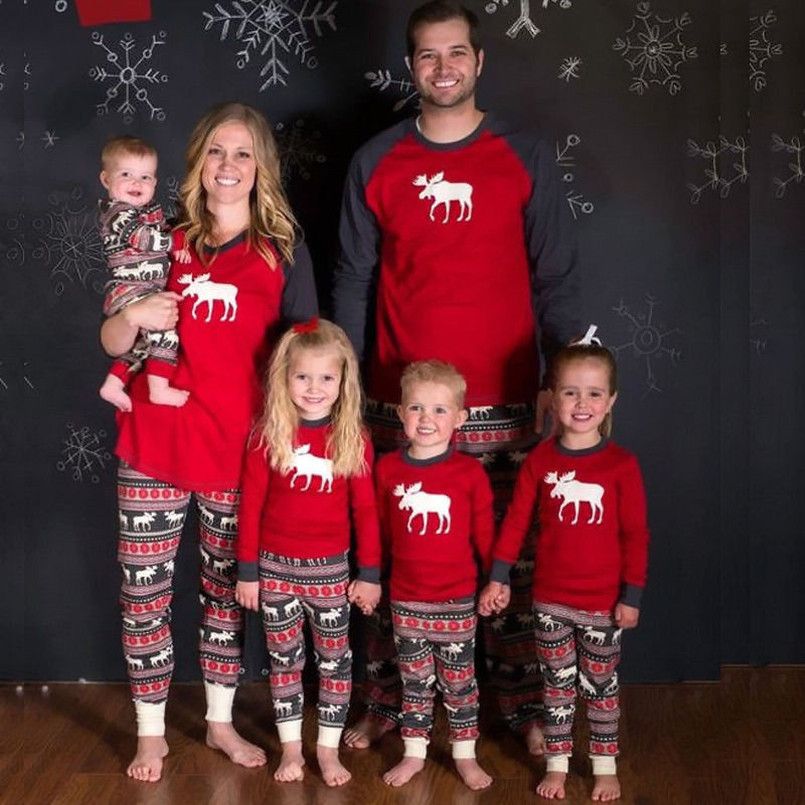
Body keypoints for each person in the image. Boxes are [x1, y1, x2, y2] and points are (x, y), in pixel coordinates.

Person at [333, 0, 579, 752]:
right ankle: (386, 701)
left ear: (479, 61)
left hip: (505, 398)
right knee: (389, 557)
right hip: (396, 401)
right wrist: (346, 384)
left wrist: (558, 377)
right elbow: (352, 278)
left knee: (511, 561)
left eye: (456, 53)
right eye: (428, 55)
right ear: (411, 66)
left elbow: (556, 274)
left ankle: (523, 706)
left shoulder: (523, 154)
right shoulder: (376, 160)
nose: (443, 68)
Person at [100, 102, 318, 783]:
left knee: (225, 592)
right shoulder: (160, 235)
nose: (228, 165)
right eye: (217, 151)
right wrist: (134, 313)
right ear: (198, 161)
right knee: (145, 593)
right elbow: (112, 340)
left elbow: (306, 352)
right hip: (155, 438)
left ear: (261, 166)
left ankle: (220, 721)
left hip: (236, 446)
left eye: (243, 153)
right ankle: (151, 731)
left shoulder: (281, 248)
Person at [479, 333, 650, 801]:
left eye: (594, 393)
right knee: (555, 686)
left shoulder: (621, 465)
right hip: (550, 601)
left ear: (610, 400)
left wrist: (632, 595)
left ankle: (604, 765)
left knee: (600, 686)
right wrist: (498, 575)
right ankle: (557, 763)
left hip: (603, 604)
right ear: (552, 398)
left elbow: (636, 535)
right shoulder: (541, 460)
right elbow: (516, 523)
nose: (582, 403)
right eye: (570, 392)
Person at [234, 318, 382, 787]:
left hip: (330, 572)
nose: (314, 388)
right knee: (285, 662)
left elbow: (366, 511)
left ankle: (328, 749)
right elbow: (251, 506)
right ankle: (293, 748)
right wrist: (248, 571)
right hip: (275, 570)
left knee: (335, 661)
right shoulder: (267, 435)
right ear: (285, 377)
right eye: (303, 377)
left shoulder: (352, 438)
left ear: (342, 382)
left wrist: (370, 573)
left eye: (326, 378)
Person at [374, 360, 499, 790]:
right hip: (406, 596)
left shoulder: (469, 473)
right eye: (416, 408)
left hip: (457, 598)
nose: (426, 419)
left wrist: (495, 579)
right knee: (414, 681)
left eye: (440, 410)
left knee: (459, 682)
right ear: (400, 412)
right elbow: (381, 530)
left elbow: (484, 533)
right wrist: (373, 574)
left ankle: (465, 754)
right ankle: (414, 752)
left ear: (460, 418)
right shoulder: (388, 470)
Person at [97, 135, 191, 412]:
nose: (136, 183)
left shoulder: (145, 214)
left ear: (155, 183)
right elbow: (143, 238)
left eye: (145, 177)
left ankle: (113, 384)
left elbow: (158, 233)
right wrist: (175, 242)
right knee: (165, 332)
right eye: (126, 175)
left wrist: (174, 240)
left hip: (142, 290)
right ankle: (159, 390)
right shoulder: (117, 214)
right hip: (131, 290)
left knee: (143, 345)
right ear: (106, 179)